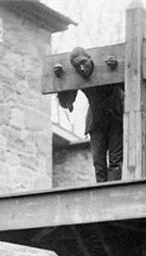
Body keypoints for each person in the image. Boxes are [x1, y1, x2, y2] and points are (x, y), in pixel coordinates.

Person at [56, 47, 124, 183]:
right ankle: (101, 194)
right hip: (96, 122)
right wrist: (60, 79)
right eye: (76, 66)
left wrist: (116, 68)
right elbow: (66, 102)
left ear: (90, 59)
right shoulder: (77, 76)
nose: (81, 68)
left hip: (115, 117)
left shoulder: (106, 68)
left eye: (83, 62)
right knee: (99, 164)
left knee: (116, 162)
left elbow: (128, 85)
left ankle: (113, 192)